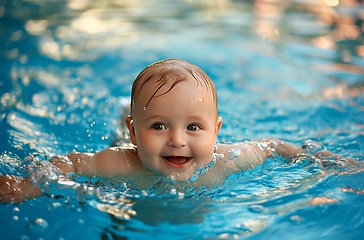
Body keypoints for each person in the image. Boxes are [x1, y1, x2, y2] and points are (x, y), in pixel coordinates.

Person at [0, 59, 354, 204]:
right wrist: (28, 185)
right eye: (158, 126)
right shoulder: (121, 164)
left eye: (194, 127)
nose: (177, 139)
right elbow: (70, 163)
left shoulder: (227, 160)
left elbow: (275, 146)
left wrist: (327, 162)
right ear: (135, 135)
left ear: (216, 132)